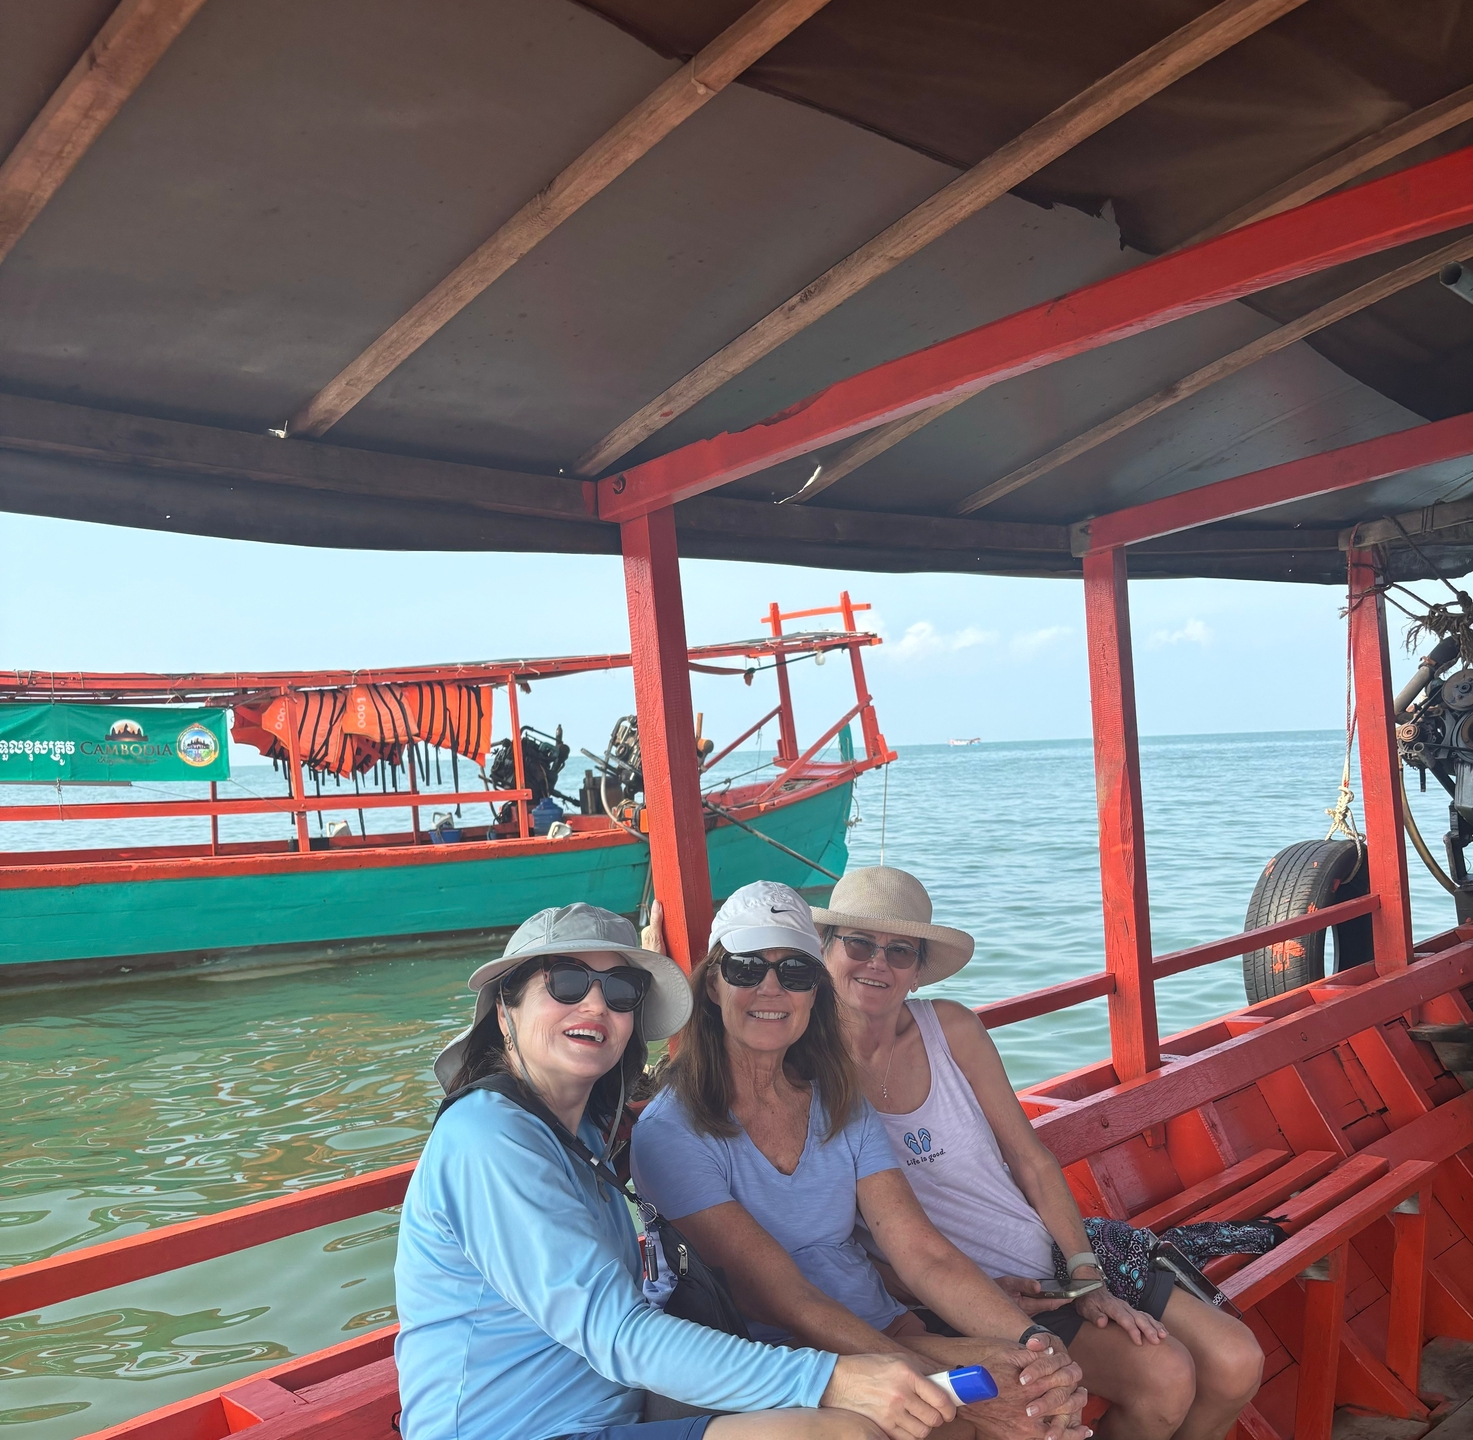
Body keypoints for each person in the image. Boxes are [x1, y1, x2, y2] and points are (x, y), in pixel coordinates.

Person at [395, 901, 960, 1440]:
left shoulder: (579, 1133)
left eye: (621, 990)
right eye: (566, 983)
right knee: (844, 1431)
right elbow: (617, 1334)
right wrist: (829, 1379)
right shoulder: (488, 1138)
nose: (595, 1006)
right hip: (521, 1430)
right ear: (505, 1010)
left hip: (616, 1413)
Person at [812, 867, 1265, 1440]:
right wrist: (941, 1294)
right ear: (826, 951)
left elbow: (1031, 1160)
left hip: (1049, 1260)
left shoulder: (951, 1029)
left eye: (899, 950)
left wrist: (1084, 1273)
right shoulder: (806, 1072)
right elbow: (824, 1240)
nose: (878, 963)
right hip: (950, 1297)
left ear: (918, 970)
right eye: (858, 944)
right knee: (1166, 1375)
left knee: (1236, 1361)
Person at [632, 882, 1090, 1440]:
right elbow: (784, 1299)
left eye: (795, 973)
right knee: (969, 1416)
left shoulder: (839, 1103)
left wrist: (1033, 1345)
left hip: (884, 1330)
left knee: (1038, 1385)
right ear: (712, 985)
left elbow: (921, 1252)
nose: (771, 988)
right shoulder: (673, 1131)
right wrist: (939, 1384)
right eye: (746, 968)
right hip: (778, 1360)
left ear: (815, 992)